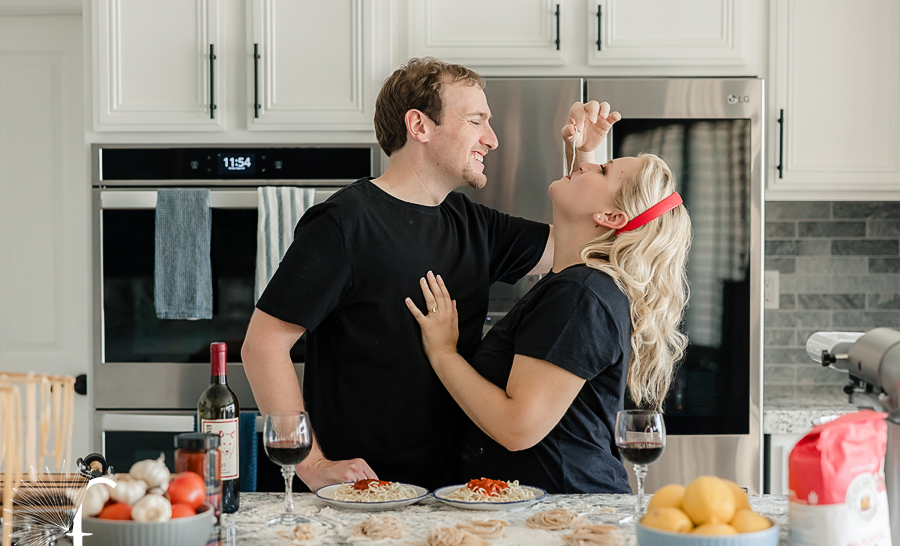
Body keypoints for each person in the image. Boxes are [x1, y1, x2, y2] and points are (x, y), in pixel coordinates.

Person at [241, 58, 553, 492]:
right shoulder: (343, 223)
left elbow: (576, 246)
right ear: (419, 126)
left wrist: (588, 153)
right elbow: (263, 344)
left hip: (456, 495)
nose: (493, 139)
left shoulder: (474, 225)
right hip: (360, 497)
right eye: (477, 120)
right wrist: (310, 464)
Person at [406, 100, 692, 494]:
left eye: (603, 170)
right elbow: (584, 212)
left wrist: (443, 352)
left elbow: (517, 427)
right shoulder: (579, 283)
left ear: (610, 219)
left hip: (565, 512)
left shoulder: (579, 295)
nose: (588, 166)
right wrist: (583, 153)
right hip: (552, 503)